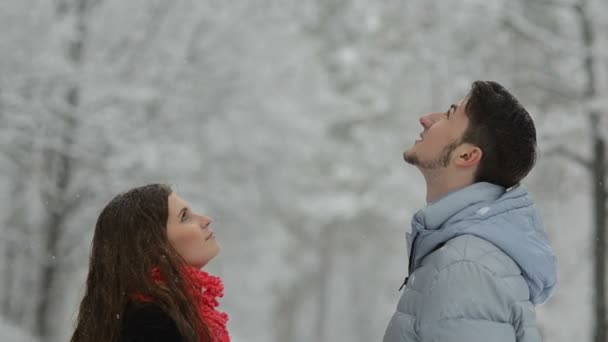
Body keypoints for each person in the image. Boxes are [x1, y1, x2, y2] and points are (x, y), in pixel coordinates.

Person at [383, 81, 557, 342]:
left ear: (466, 156)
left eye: (449, 115)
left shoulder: (465, 266)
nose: (426, 119)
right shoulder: (465, 257)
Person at [70, 184, 230, 342]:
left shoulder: (161, 315)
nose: (206, 220)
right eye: (184, 217)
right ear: (152, 245)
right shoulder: (152, 324)